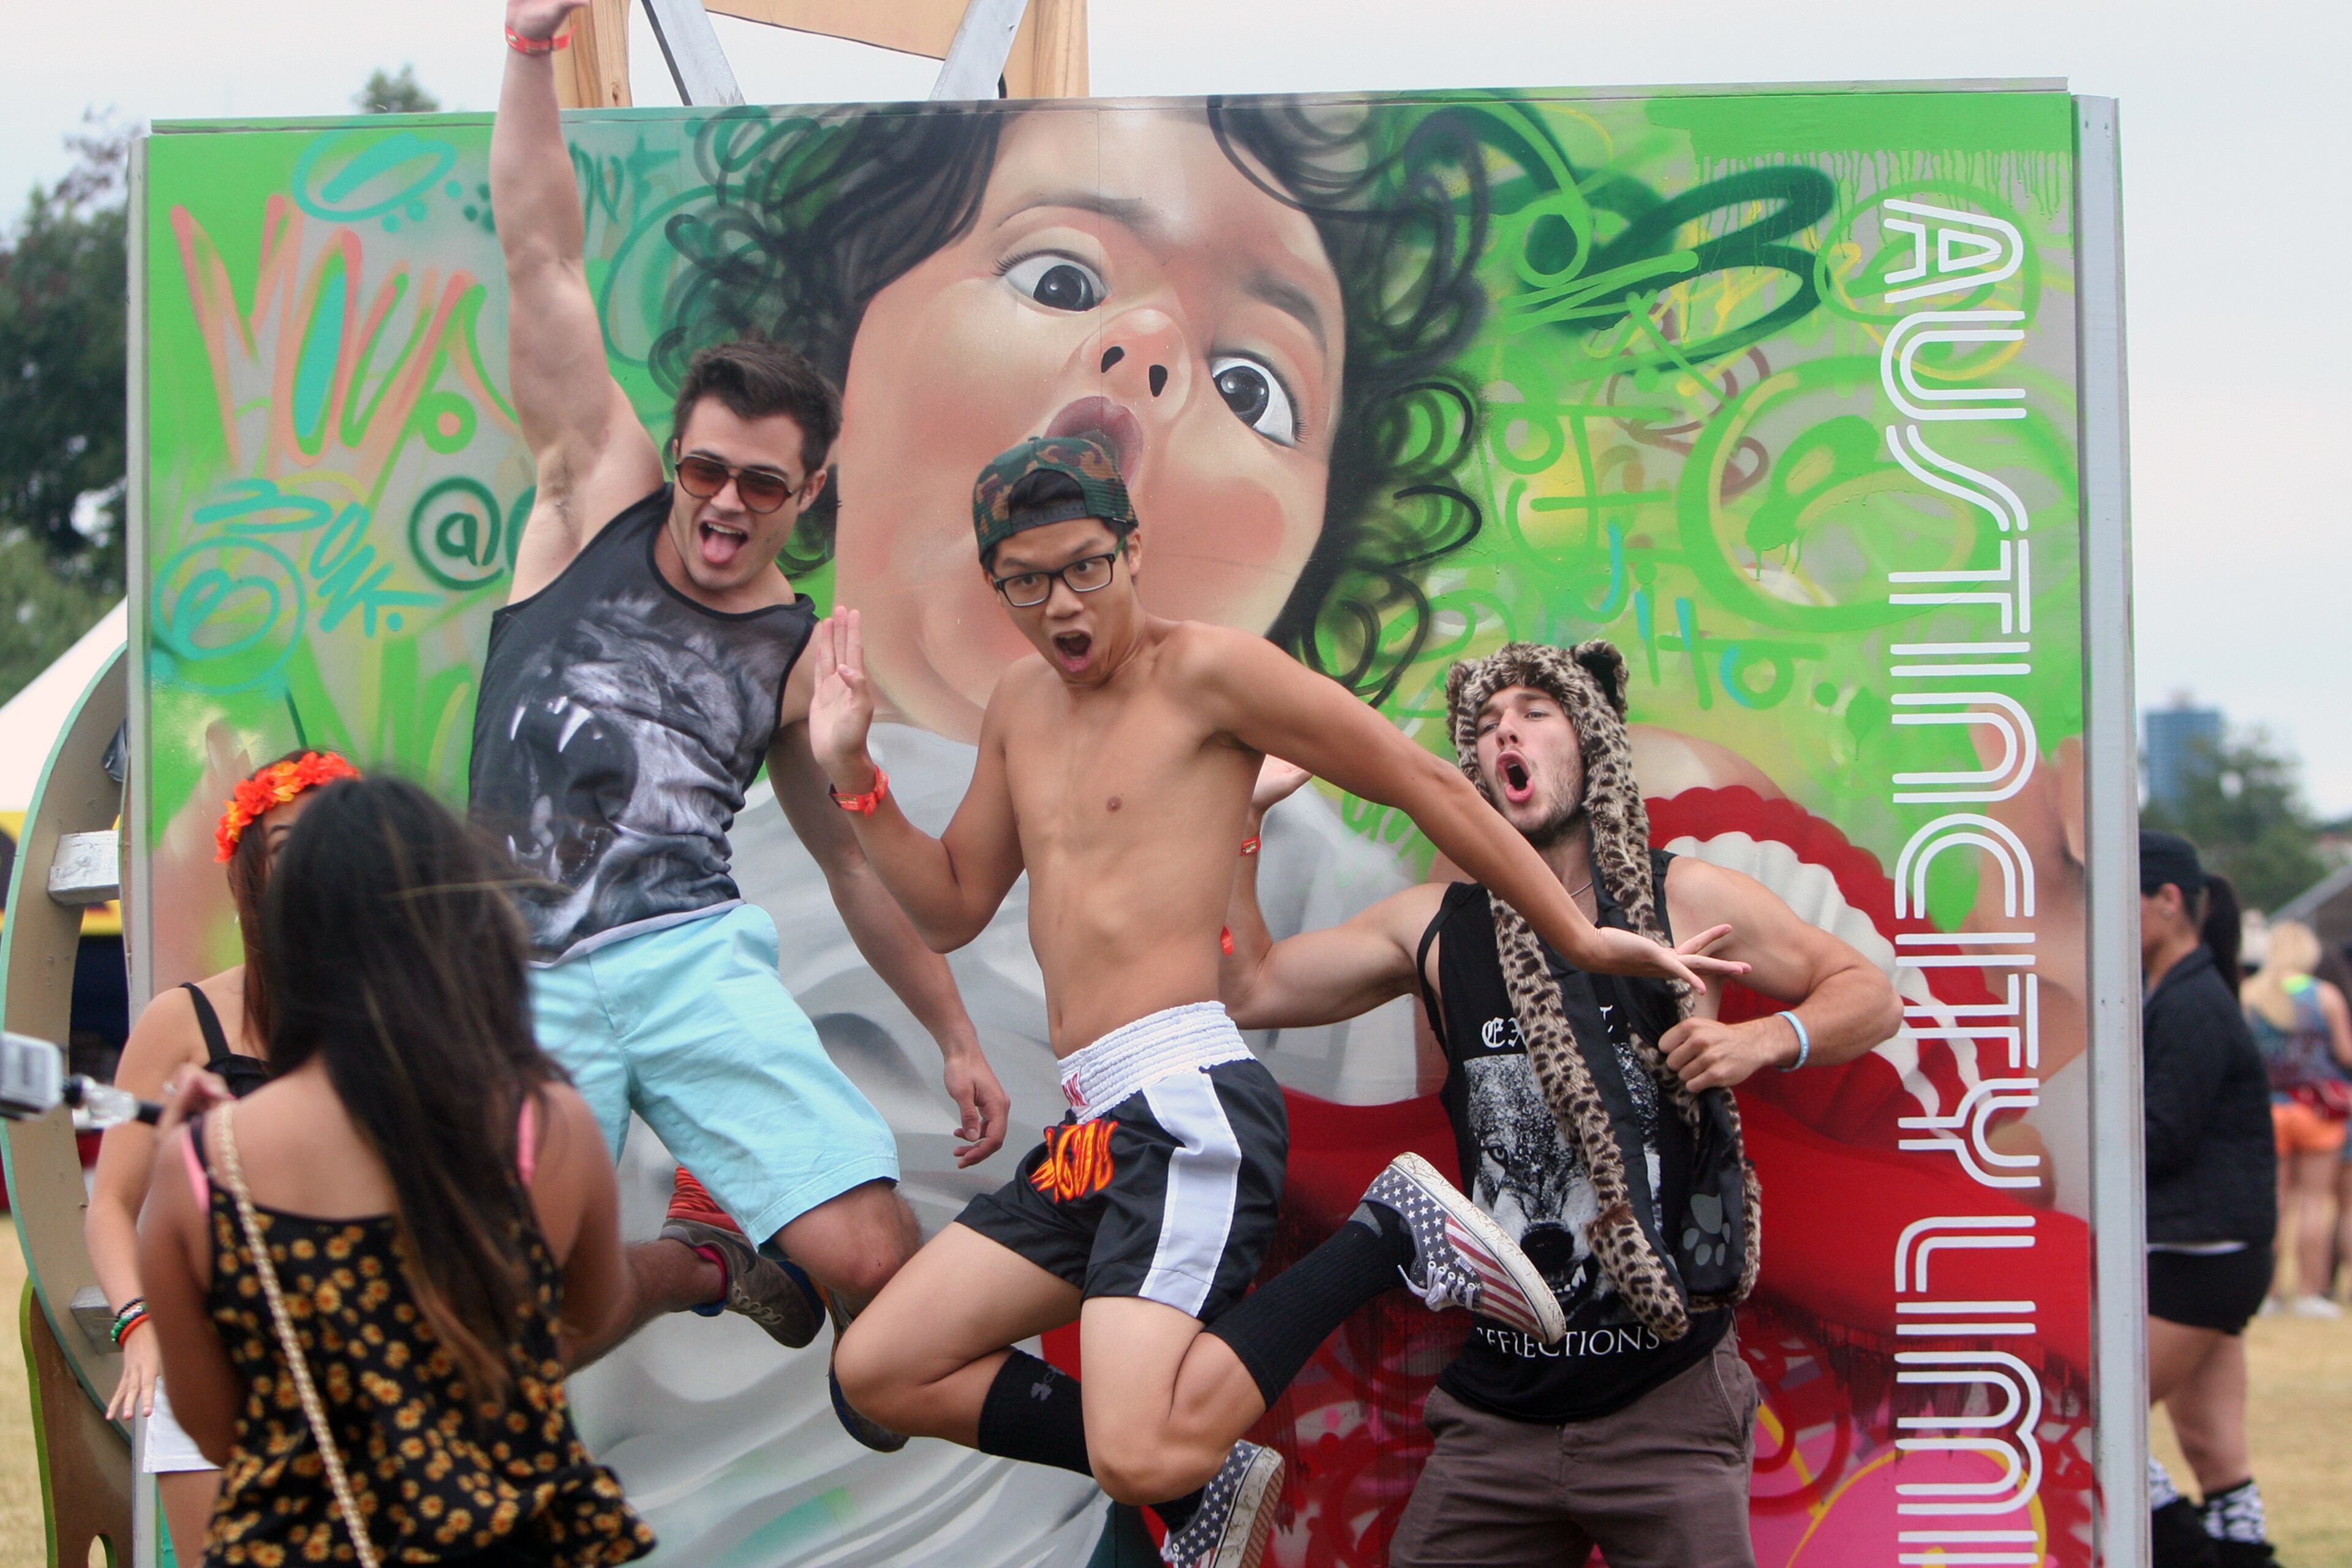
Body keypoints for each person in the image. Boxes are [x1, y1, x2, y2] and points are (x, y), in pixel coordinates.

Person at [817, 437, 1743, 1568]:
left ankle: (1388, 1234)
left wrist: (1574, 931)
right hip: (1089, 1131)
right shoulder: (1019, 704)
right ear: (996, 582)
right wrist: (856, 774)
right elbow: (952, 905)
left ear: (1134, 549)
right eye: (1027, 581)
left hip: (1185, 1103)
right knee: (881, 1367)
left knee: (1137, 1450)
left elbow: (1416, 779)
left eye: (1087, 567)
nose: (1061, 604)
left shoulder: (1213, 674)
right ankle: (1200, 1472)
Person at [477, 0, 1009, 1433]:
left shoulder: (794, 653)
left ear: (808, 491)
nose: (721, 504)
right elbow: (540, 252)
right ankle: (703, 1261)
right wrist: (527, 56)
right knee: (514, 1326)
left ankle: (794, 1252)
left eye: (760, 487)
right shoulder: (592, 495)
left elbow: (850, 862)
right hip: (523, 971)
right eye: (707, 469)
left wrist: (954, 1030)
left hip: (688, 955)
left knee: (876, 1269)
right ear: (678, 450)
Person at [1216, 640, 1901, 1568]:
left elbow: (1869, 995)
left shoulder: (1681, 894)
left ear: (1593, 743)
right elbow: (1253, 987)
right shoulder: (1433, 926)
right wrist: (1245, 815)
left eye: (1535, 712)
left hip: (1667, 1394)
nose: (1508, 731)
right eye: (1489, 725)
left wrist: (1757, 1042)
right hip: (1502, 1410)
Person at [135, 775, 655, 1566]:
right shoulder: (543, 1125)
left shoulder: (207, 1166)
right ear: (456, 921)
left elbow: (212, 1427)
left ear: (291, 933)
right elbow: (587, 1315)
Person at [82, 748, 357, 1564]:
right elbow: (110, 1202)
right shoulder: (183, 1020)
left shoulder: (397, 1013)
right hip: (211, 1361)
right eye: (280, 848)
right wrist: (139, 1327)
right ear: (248, 875)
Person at [2138, 833, 2280, 1568]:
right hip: (2218, 1254)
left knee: (2101, 1424)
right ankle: (2242, 1555)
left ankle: (2193, 1559)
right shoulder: (2187, 990)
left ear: (2168, 902)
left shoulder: (2191, 1002)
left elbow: (2163, 1133)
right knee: (2216, 1454)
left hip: (2199, 1255)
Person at [2242, 918, 2352, 1316]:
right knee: (2314, 1204)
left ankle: (2269, 1292)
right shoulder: (2325, 997)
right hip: (2317, 1111)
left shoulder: (2250, 993)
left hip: (2268, 1109)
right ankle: (2310, 1291)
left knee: (2276, 1203)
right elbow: (2345, 1053)